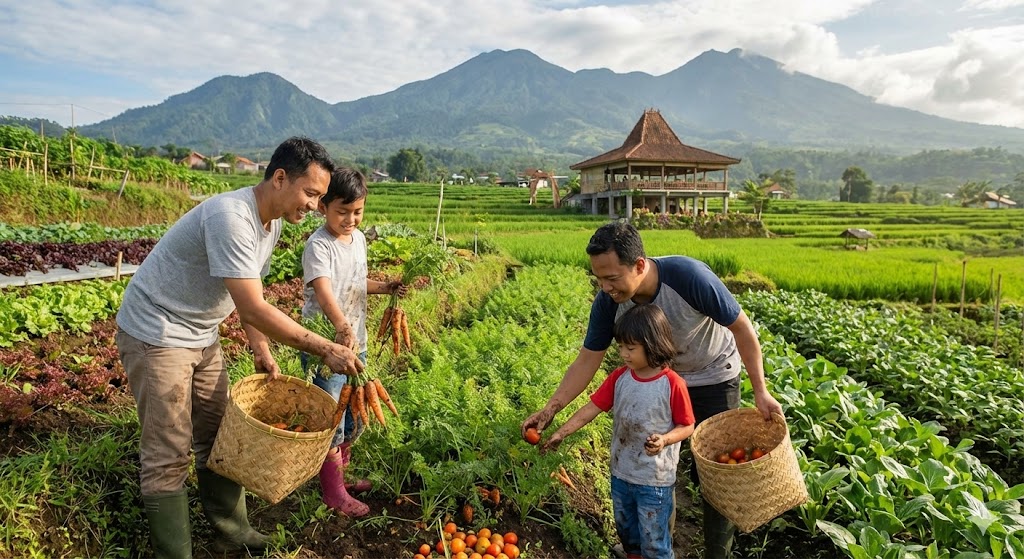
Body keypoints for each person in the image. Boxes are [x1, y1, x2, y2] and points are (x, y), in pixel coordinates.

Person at [116, 137, 365, 559]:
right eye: (310, 193)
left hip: (201, 333)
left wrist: (260, 349)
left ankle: (231, 531)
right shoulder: (231, 217)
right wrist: (324, 347)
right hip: (157, 331)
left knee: (220, 435)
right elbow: (253, 305)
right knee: (169, 450)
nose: (313, 205)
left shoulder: (273, 223)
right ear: (280, 178)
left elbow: (248, 296)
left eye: (320, 197)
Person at [522, 220, 784, 559]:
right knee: (656, 465)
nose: (605, 287)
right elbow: (588, 359)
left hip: (713, 375)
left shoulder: (690, 278)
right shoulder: (609, 302)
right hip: (658, 381)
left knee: (717, 473)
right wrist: (550, 409)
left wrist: (760, 390)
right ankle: (657, 546)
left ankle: (717, 553)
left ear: (640, 265)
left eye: (612, 278)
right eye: (599, 278)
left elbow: (742, 329)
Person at [541, 304, 694, 559]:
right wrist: (561, 432)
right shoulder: (620, 377)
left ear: (653, 344)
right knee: (628, 534)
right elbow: (592, 408)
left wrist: (665, 440)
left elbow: (687, 426)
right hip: (621, 473)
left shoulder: (672, 384)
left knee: (654, 541)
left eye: (630, 348)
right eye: (621, 347)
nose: (623, 353)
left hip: (654, 481)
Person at [299, 167, 406, 517]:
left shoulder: (358, 239)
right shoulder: (319, 246)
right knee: (332, 416)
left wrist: (386, 287)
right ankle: (333, 493)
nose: (350, 219)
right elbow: (324, 290)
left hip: (354, 343)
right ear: (323, 208)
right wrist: (341, 325)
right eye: (342, 212)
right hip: (326, 347)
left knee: (354, 414)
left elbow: (357, 283)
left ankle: (342, 475)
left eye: (357, 212)